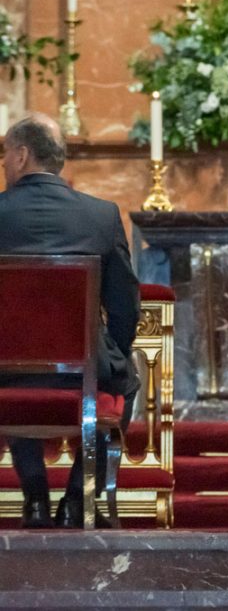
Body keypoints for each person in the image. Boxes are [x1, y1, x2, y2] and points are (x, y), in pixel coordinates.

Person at [0, 113, 140, 528]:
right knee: (125, 379)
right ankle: (77, 499)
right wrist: (107, 359)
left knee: (11, 371)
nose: (4, 162)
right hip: (83, 376)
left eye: (5, 153)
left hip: (4, 375)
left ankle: (35, 498)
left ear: (22, 155)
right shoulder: (101, 216)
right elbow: (124, 306)